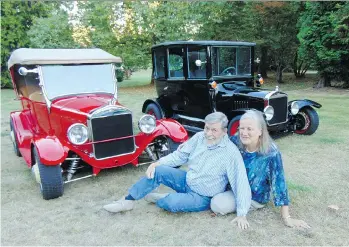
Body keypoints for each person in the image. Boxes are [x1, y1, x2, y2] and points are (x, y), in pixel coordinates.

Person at [104, 112, 252, 229]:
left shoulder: (231, 153)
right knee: (159, 170)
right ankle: (128, 200)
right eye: (207, 128)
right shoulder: (199, 137)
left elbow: (240, 182)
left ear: (224, 131)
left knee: (170, 203)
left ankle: (162, 198)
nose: (208, 133)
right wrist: (158, 162)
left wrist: (242, 214)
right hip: (187, 180)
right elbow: (180, 156)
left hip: (203, 196)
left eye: (214, 130)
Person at [210, 110, 311, 229]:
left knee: (217, 204)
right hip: (233, 186)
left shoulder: (271, 153)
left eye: (249, 129)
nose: (244, 133)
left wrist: (287, 218)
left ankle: (244, 206)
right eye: (242, 128)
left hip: (254, 197)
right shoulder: (235, 141)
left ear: (260, 131)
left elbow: (279, 183)